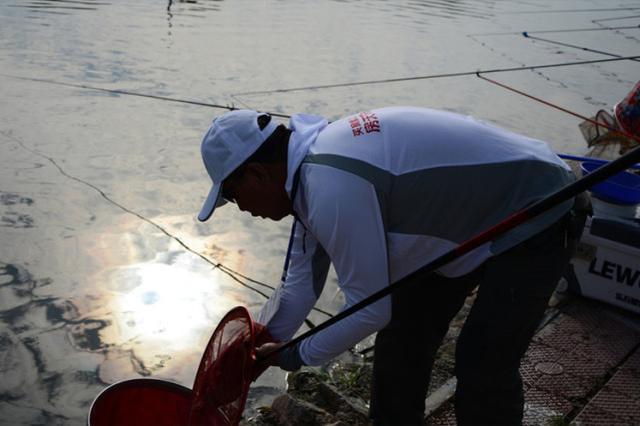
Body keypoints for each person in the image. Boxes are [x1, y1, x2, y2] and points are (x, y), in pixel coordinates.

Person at [196, 107, 588, 425]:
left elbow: (368, 309)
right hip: (463, 220)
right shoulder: (307, 172)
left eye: (232, 195)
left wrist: (294, 355)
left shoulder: (329, 184)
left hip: (537, 208)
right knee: (401, 342)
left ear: (257, 173)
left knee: (483, 362)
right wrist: (253, 355)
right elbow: (298, 289)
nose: (242, 209)